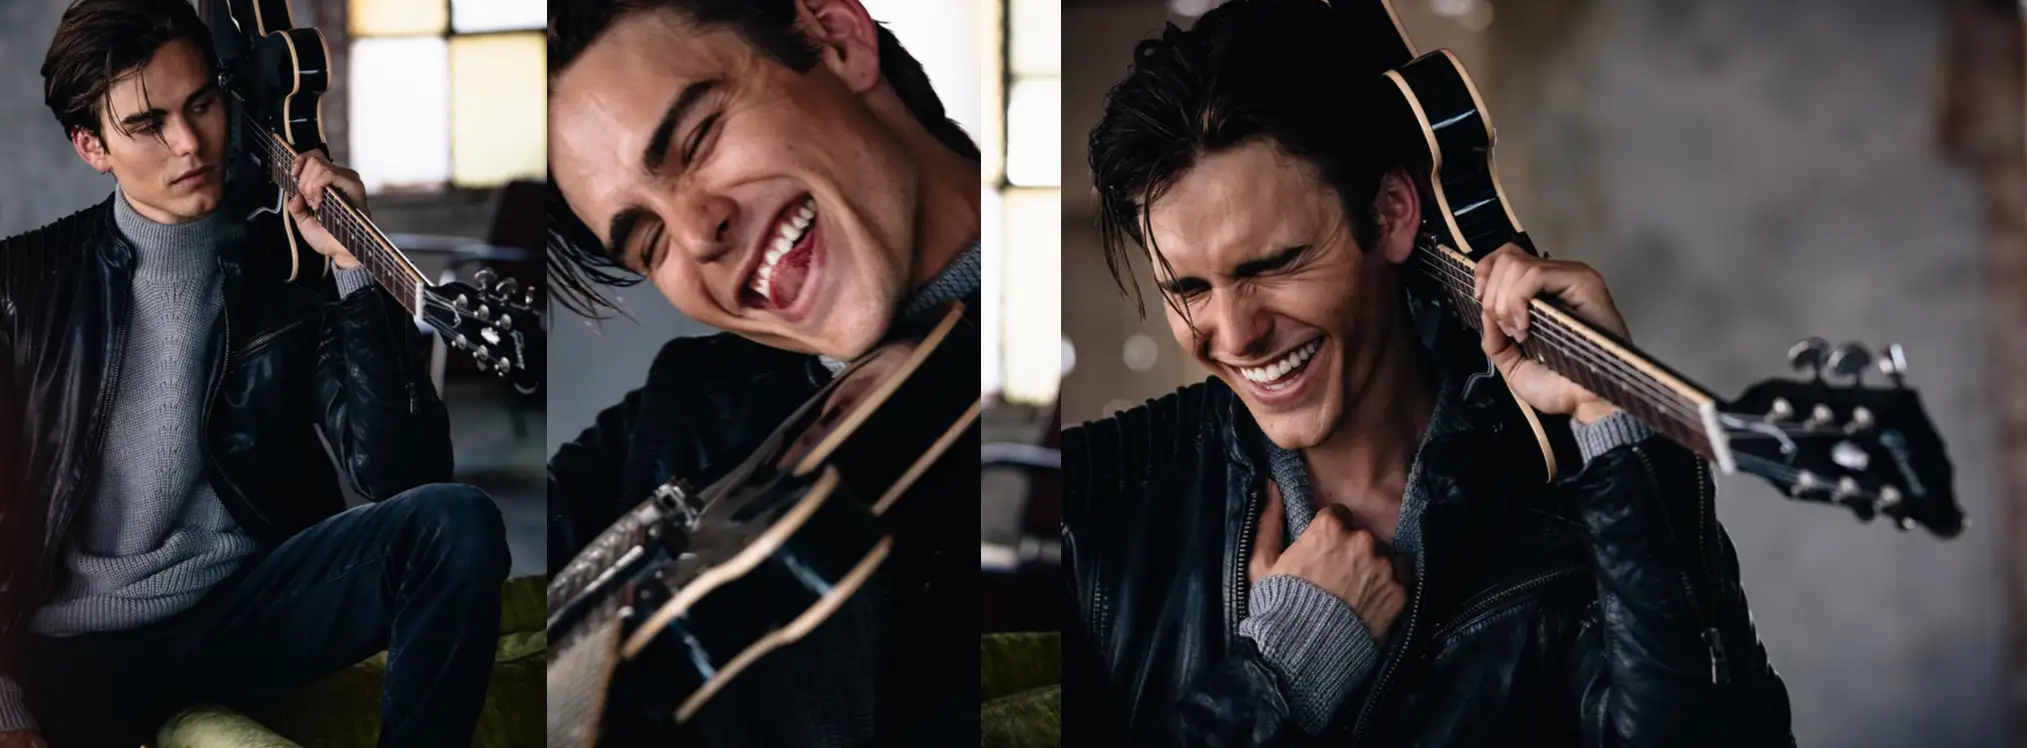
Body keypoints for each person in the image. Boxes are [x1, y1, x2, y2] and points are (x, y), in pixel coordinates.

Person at [1061, 1, 1794, 744]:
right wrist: (1278, 680)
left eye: (1276, 264)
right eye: (1188, 289)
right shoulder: (1082, 506)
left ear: (1391, 213)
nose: (1237, 333)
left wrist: (1620, 430)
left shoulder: (1572, 511)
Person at [0, 2, 510, 746]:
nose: (190, 143)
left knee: (456, 521)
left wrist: (353, 268)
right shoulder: (25, 284)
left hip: (245, 613)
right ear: (91, 145)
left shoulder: (286, 264)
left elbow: (404, 475)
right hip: (82, 656)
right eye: (148, 124)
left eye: (201, 104)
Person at [544, 0, 981, 743]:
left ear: (837, 40)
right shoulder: (676, 418)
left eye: (699, 138)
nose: (696, 232)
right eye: (649, 242)